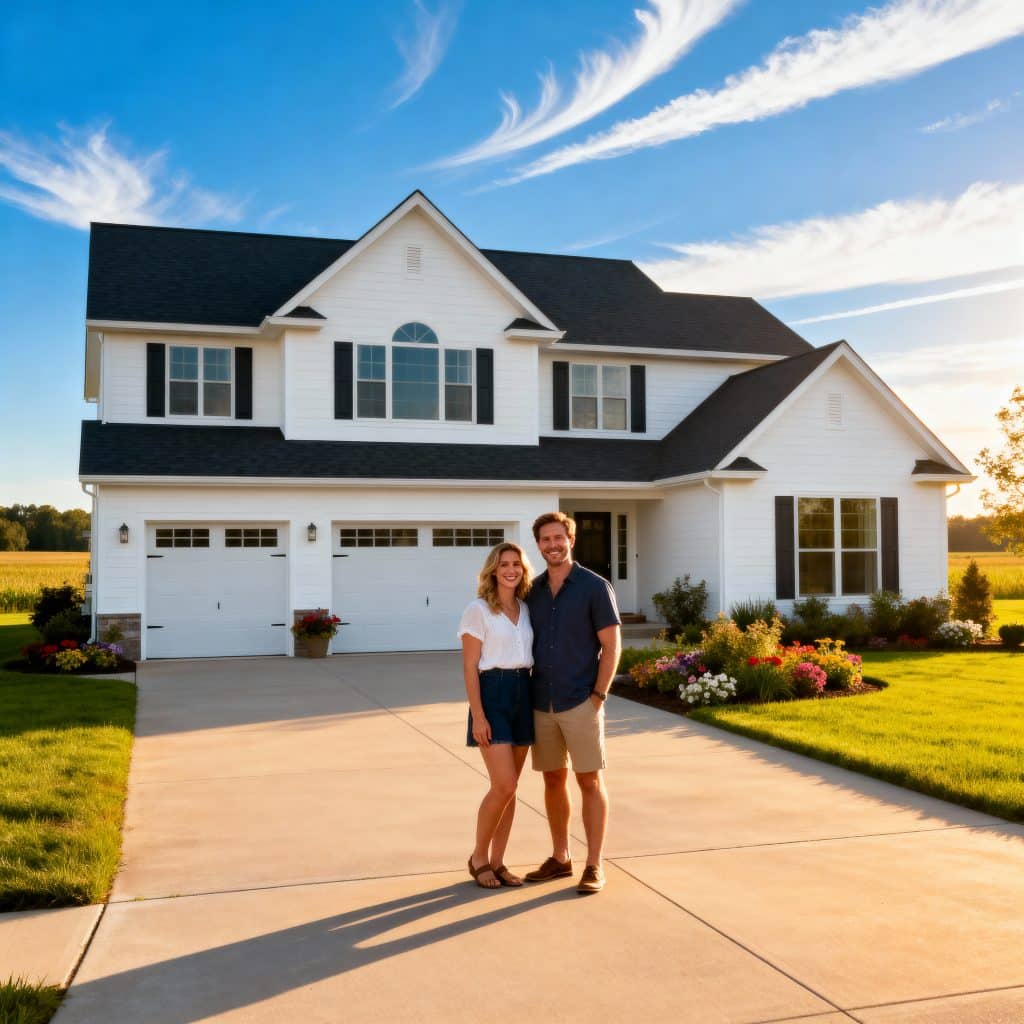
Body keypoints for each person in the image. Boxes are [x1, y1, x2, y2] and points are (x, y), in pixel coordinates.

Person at [524, 512, 621, 895]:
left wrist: (599, 695)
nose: (552, 545)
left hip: (582, 699)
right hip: (541, 700)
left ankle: (594, 864)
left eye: (558, 538)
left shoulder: (594, 587)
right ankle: (561, 857)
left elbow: (612, 646)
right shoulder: (531, 591)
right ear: (539, 545)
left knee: (589, 780)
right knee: (552, 778)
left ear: (571, 539)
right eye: (545, 540)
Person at [458, 541, 536, 889]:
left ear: (523, 569)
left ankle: (500, 861)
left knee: (511, 788)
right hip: (493, 694)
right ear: (493, 570)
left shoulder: (526, 607)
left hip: (524, 691)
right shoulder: (478, 610)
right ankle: (479, 857)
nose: (510, 569)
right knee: (502, 784)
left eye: (516, 564)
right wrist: (479, 715)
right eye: (503, 564)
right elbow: (470, 667)